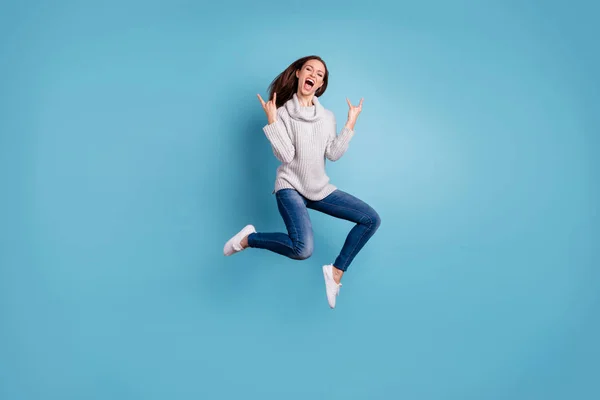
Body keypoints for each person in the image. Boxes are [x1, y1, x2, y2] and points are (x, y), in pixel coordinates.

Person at [223, 55, 381, 309]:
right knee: (302, 249)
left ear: (321, 84)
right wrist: (272, 120)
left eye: (320, 74)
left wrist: (351, 122)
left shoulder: (327, 117)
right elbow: (285, 156)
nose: (314, 75)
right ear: (298, 73)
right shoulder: (283, 113)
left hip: (319, 188)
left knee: (371, 219)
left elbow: (333, 154)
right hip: (290, 187)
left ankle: (336, 272)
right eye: (309, 70)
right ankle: (249, 238)